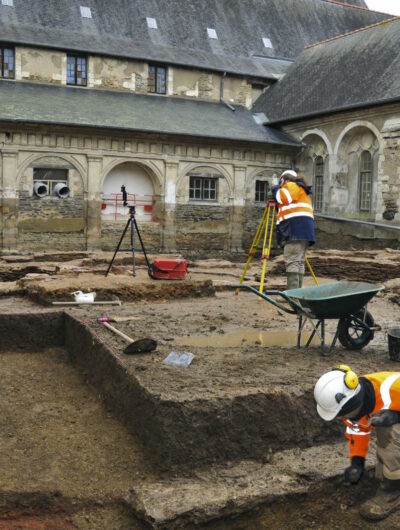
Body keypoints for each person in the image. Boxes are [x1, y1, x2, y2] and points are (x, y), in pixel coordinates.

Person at [314, 365, 400, 521]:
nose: (340, 419)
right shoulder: (358, 407)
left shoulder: (394, 389)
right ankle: (389, 477)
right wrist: (357, 463)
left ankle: (393, 491)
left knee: (390, 431)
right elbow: (358, 431)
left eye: (341, 415)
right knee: (386, 429)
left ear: (353, 404)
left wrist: (398, 416)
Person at [272, 169, 315, 290]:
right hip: (306, 231)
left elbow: (281, 198)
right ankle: (297, 293)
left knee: (292, 261)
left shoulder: (290, 186)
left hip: (295, 229)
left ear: (284, 180)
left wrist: (275, 188)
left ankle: (292, 296)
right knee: (299, 261)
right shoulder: (301, 190)